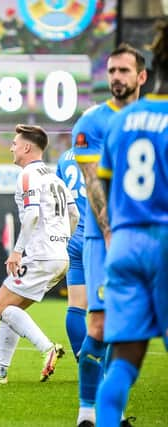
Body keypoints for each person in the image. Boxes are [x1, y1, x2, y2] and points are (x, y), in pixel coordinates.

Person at [95, 22, 168, 426]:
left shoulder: (124, 120)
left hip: (123, 244)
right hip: (163, 239)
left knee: (123, 360)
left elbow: (104, 184)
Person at [71, 43, 147, 427]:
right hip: (104, 239)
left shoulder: (154, 121)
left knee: (129, 332)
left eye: (124, 71)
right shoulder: (92, 123)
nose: (116, 77)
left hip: (146, 237)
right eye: (112, 71)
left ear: (141, 77)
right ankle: (87, 414)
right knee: (99, 327)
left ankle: (108, 416)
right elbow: (94, 185)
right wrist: (111, 234)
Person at [0, 124, 79, 384]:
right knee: (11, 310)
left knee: (0, 306)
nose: (11, 147)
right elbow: (74, 215)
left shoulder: (28, 175)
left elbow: (31, 214)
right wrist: (63, 241)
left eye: (15, 144)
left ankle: (47, 348)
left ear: (27, 147)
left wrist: (17, 252)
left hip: (41, 254)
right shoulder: (55, 178)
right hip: (59, 255)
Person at [56, 148, 87, 360]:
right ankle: (111, 367)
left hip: (73, 238)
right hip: (101, 237)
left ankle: (85, 363)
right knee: (112, 307)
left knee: (75, 307)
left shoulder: (65, 157)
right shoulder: (110, 147)